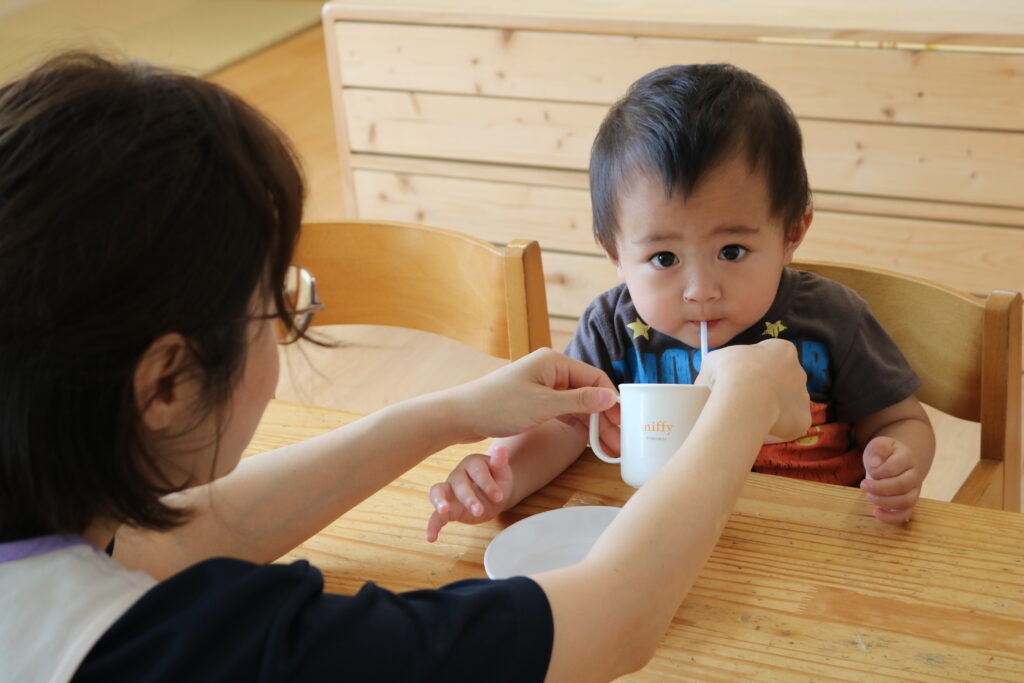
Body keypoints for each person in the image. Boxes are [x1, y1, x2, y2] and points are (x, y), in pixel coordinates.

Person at [0, 53, 812, 682]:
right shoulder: (197, 648)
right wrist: (742, 399)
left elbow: (163, 540)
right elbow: (615, 618)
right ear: (167, 383)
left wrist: (446, 414)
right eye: (274, 306)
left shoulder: (46, 539)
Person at [427, 63, 936, 543]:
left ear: (791, 233)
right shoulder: (611, 329)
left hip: (807, 542)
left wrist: (897, 459)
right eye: (664, 257)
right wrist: (500, 480)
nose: (700, 290)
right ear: (616, 255)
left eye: (731, 251)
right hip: (661, 542)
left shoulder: (832, 318)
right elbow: (563, 429)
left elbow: (899, 420)